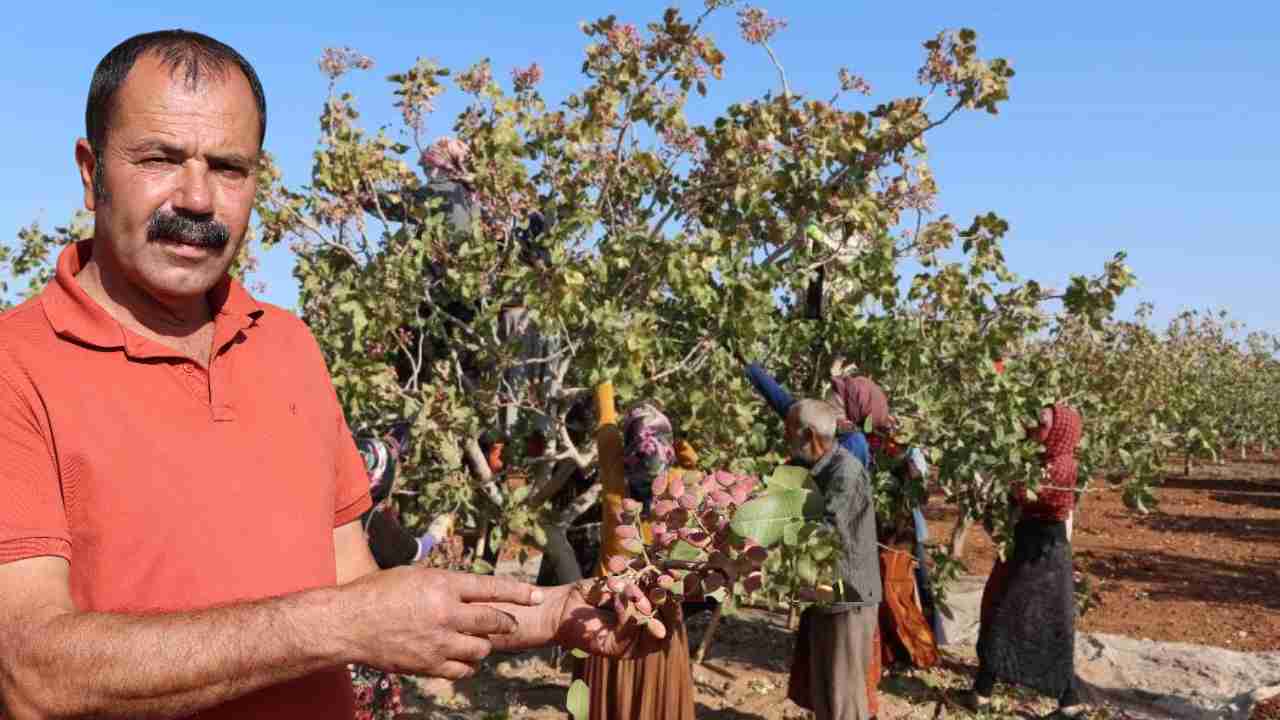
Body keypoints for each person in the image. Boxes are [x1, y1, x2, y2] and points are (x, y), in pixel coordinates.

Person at [0, 31, 641, 720]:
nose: (195, 197)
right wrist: (338, 622)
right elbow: (34, 674)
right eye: (160, 158)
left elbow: (358, 587)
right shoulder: (17, 366)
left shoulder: (287, 346)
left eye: (228, 168)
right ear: (91, 171)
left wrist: (553, 612)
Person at [575, 402, 696, 720]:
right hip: (660, 609)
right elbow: (689, 457)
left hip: (609, 607)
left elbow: (606, 428)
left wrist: (605, 390)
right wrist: (677, 445)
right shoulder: (678, 491)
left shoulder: (616, 488)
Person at [965, 403, 1086, 717]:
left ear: (1059, 431)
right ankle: (984, 690)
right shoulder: (1039, 460)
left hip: (1043, 552)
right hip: (1027, 546)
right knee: (1002, 611)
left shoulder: (1061, 467)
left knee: (1027, 619)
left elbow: (1026, 494)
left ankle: (1065, 701)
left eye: (1042, 423)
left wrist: (993, 478)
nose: (1034, 428)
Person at [784, 400, 882, 720]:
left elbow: (826, 532)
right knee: (824, 690)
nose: (785, 439)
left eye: (789, 433)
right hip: (828, 591)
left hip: (848, 595)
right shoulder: (815, 468)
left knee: (843, 699)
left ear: (810, 435)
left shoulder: (846, 472)